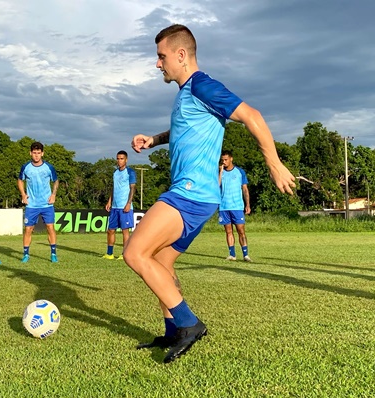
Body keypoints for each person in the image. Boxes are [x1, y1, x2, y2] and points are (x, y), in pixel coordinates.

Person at [124, 24, 296, 363]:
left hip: (190, 193)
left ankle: (189, 324)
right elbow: (184, 129)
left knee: (135, 253)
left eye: (161, 57)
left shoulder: (202, 85)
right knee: (160, 261)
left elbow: (252, 115)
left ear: (181, 55)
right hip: (197, 196)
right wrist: (154, 140)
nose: (158, 64)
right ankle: (173, 330)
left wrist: (274, 163)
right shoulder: (187, 92)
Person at [17, 142, 60, 264]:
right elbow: (20, 180)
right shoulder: (26, 167)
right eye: (34, 153)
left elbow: (56, 181)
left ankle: (53, 254)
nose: (36, 155)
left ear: (42, 153)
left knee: (50, 227)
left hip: (47, 204)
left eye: (38, 153)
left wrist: (53, 194)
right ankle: (26, 254)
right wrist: (23, 194)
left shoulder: (49, 167)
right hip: (32, 205)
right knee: (28, 229)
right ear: (30, 153)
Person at [219, 150, 252, 262]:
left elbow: (245, 189)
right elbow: (217, 186)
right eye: (222, 160)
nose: (224, 162)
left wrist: (248, 204)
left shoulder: (239, 172)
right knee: (228, 232)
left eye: (226, 159)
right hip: (224, 207)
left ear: (231, 159)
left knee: (241, 231)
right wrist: (220, 172)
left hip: (237, 206)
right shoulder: (220, 172)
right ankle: (232, 254)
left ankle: (246, 255)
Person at [103, 150, 137, 260]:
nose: (119, 160)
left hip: (124, 207)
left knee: (125, 230)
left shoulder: (130, 172)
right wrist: (109, 201)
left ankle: (124, 254)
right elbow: (114, 188)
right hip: (115, 207)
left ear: (126, 160)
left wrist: (128, 203)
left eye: (122, 158)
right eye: (118, 158)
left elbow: (133, 188)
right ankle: (109, 254)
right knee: (110, 230)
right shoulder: (115, 173)